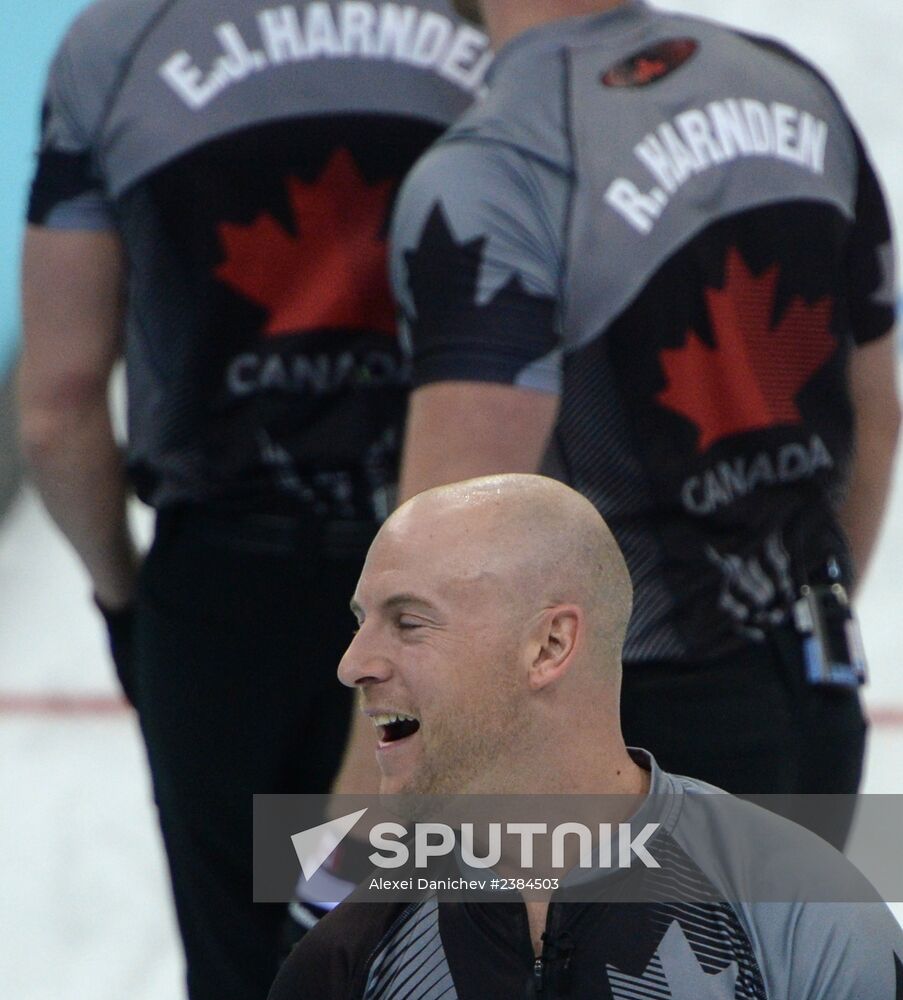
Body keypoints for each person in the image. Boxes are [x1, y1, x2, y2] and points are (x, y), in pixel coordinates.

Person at [18, 2, 490, 997]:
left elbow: (57, 412)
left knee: (254, 971)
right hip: (458, 582)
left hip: (226, 591)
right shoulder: (493, 31)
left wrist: (127, 600)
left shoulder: (119, 43)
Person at [385, 0, 901, 818]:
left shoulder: (499, 161)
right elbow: (877, 411)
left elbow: (444, 556)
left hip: (632, 726)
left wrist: (363, 841)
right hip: (815, 693)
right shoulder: (791, 87)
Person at [268, 473, 903, 998]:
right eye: (360, 622)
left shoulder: (801, 914)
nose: (354, 664)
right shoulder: (349, 955)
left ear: (550, 645)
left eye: (408, 622)